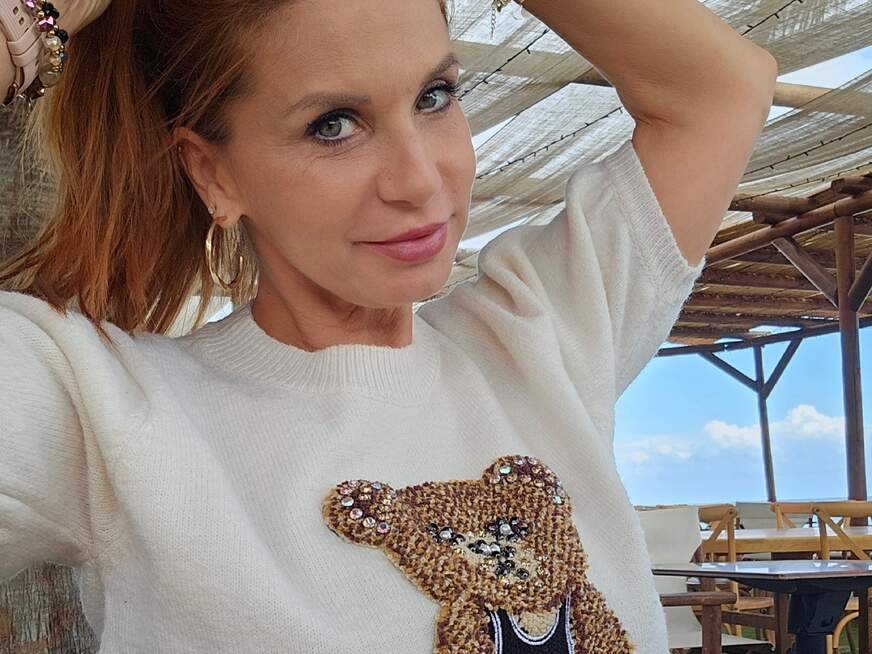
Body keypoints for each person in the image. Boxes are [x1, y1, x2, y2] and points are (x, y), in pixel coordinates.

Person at [0, 0, 777, 651]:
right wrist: (33, 17)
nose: (420, 180)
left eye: (434, 96)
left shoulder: (541, 334)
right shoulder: (99, 408)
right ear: (214, 172)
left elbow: (721, 88)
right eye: (334, 125)